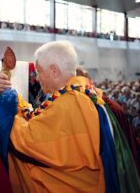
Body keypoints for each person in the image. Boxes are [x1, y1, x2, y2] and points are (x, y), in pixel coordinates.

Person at [8, 41, 105, 192]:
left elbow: (28, 140)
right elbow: (43, 120)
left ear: (54, 70)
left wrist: (4, 109)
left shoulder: (69, 104)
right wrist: (21, 105)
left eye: (39, 71)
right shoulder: (80, 93)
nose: (38, 78)